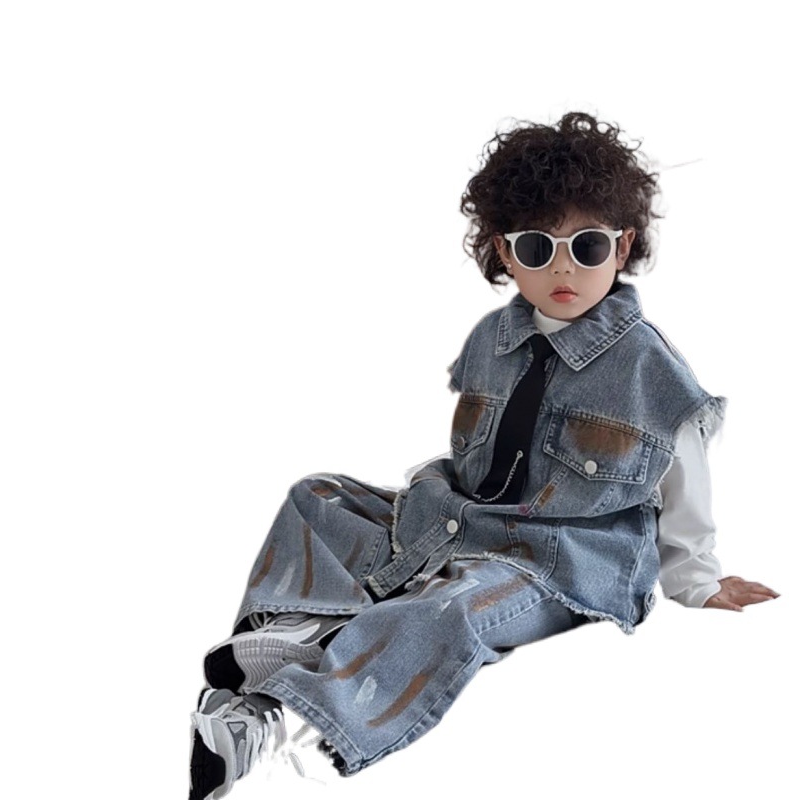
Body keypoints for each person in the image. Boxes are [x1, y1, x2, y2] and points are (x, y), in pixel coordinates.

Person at [187, 111, 779, 799]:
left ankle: (293, 715)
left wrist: (697, 580)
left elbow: (685, 486)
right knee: (317, 494)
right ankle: (297, 629)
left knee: (453, 609)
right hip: (464, 520)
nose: (563, 266)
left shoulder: (650, 369)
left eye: (587, 246)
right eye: (537, 247)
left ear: (622, 247)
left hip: (565, 558)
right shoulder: (491, 339)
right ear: (504, 252)